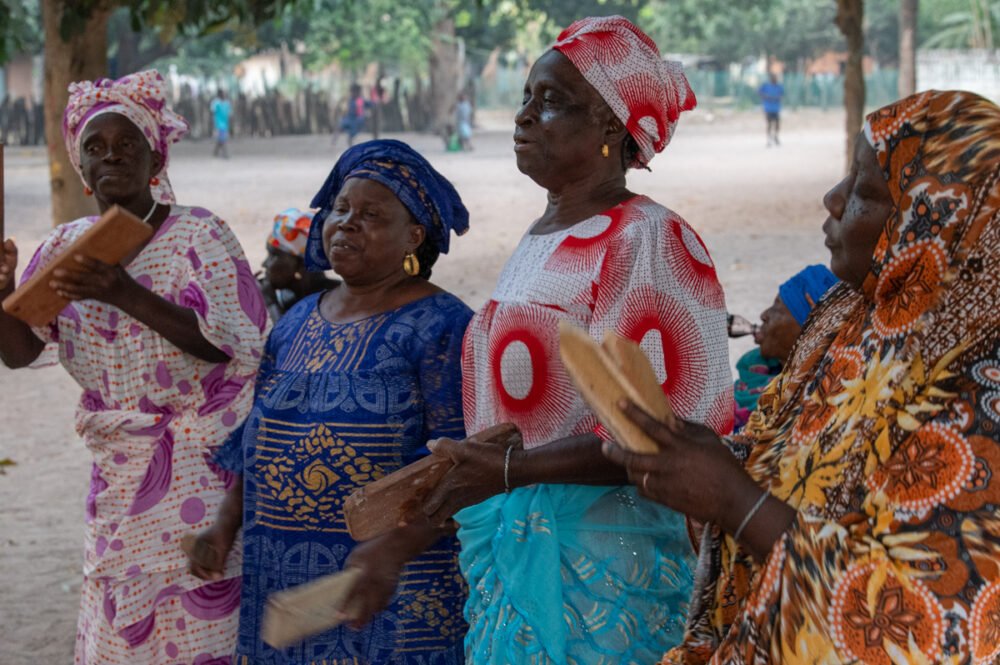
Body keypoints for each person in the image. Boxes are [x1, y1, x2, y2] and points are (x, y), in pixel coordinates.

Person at [602, 90, 1000, 664]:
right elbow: (793, 459)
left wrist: (736, 501)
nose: (832, 199)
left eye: (864, 189)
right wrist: (711, 459)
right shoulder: (849, 317)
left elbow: (928, 625)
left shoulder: (981, 389)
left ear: (934, 221)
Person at [418, 16, 733, 664]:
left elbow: (657, 432)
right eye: (527, 97)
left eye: (553, 101)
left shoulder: (644, 238)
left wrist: (509, 469)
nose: (525, 117)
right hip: (517, 549)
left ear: (612, 129)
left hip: (601, 571)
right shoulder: (541, 238)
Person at [0, 70, 270, 664]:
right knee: (122, 633)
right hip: (118, 477)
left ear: (155, 156)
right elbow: (20, 353)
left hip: (203, 477)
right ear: (80, 166)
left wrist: (123, 291)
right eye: (94, 147)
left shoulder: (200, 235)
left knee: (201, 627)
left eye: (126, 144)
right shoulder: (62, 250)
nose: (111, 156)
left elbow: (229, 347)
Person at [187, 139, 473, 664]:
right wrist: (225, 524)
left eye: (370, 214)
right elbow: (257, 432)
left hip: (389, 588)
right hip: (284, 583)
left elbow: (460, 463)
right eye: (340, 208)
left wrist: (397, 548)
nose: (345, 222)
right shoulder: (296, 320)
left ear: (415, 235)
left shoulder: (442, 327)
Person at [732, 264, 838, 431]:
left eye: (777, 308)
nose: (764, 315)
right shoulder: (752, 374)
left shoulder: (812, 402)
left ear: (808, 328)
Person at [257, 207, 339, 321]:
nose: (264, 264)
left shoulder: (334, 302)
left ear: (301, 265)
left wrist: (270, 304)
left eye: (273, 255)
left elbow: (285, 338)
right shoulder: (286, 296)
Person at [335, 83, 369, 147]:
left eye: (355, 92)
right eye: (352, 92)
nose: (353, 93)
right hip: (349, 118)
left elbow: (367, 105)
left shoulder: (360, 100)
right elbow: (345, 108)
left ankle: (350, 144)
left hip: (357, 120)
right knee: (340, 127)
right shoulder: (350, 99)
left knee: (351, 134)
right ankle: (334, 141)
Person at [758, 73, 783, 147]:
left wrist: (778, 98)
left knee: (777, 124)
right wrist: (765, 96)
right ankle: (768, 139)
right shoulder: (765, 86)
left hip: (776, 108)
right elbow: (758, 91)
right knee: (769, 124)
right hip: (768, 108)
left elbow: (782, 95)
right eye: (774, 78)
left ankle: (775, 136)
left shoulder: (779, 86)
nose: (775, 79)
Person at [211, 89, 232, 158]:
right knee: (223, 139)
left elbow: (229, 114)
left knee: (221, 139)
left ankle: (215, 152)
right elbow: (213, 112)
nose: (224, 95)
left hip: (225, 123)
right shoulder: (216, 103)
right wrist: (213, 123)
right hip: (218, 123)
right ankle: (225, 154)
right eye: (223, 93)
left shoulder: (227, 103)